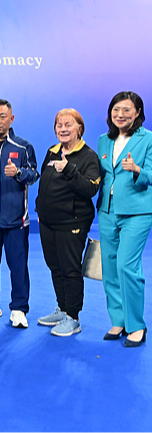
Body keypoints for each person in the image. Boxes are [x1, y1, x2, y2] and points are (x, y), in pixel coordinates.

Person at [35, 108, 100, 337]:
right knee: (55, 267)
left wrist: (70, 169)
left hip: (72, 222)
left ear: (79, 128)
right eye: (59, 125)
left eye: (68, 125)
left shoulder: (88, 156)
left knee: (70, 269)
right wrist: (39, 208)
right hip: (48, 222)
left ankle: (73, 317)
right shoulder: (52, 152)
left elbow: (91, 188)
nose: (63, 129)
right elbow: (44, 182)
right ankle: (62, 309)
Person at [0, 99, 39, 328]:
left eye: (2, 116)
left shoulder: (24, 147)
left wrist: (19, 172)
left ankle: (19, 309)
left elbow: (34, 174)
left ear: (11, 119)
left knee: (18, 267)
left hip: (16, 222)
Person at [97, 91, 151, 347]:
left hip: (137, 212)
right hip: (107, 212)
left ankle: (136, 325)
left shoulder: (148, 139)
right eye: (116, 110)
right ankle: (118, 320)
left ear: (137, 113)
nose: (120, 115)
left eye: (127, 110)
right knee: (109, 267)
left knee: (127, 267)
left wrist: (138, 169)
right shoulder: (103, 140)